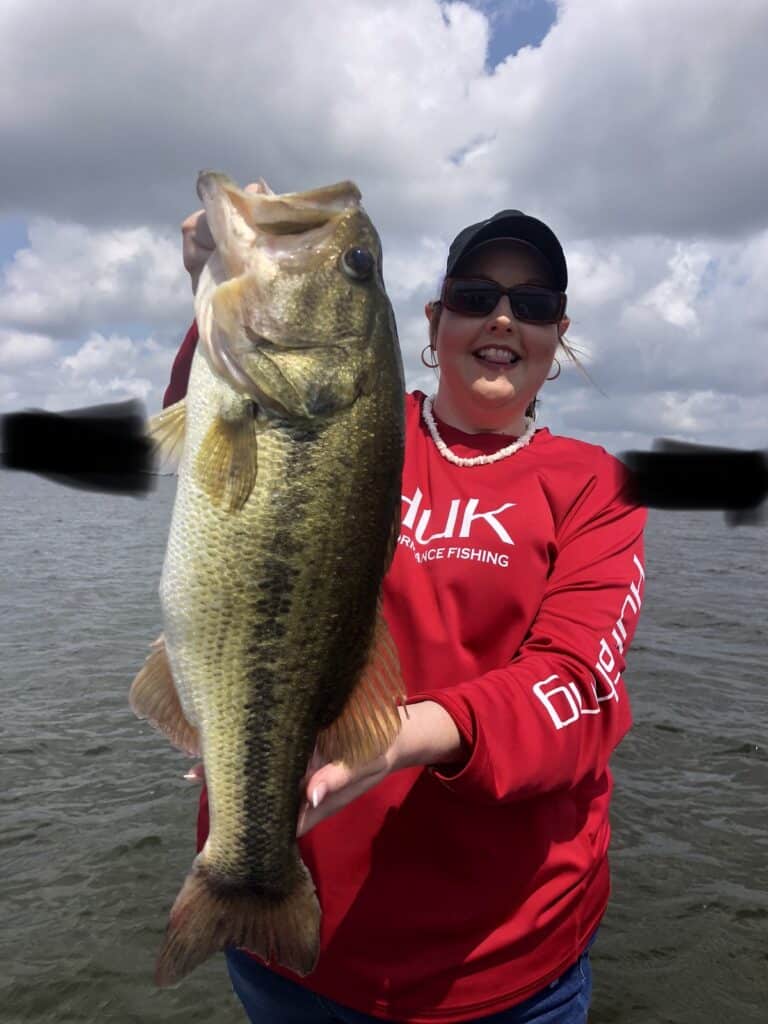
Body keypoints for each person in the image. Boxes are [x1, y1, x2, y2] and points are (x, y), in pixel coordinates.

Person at [164, 192, 647, 1024]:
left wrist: (396, 742)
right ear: (432, 322)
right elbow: (217, 435)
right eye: (474, 297)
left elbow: (577, 689)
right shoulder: (358, 424)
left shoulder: (594, 486)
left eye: (532, 306)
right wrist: (219, 279)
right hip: (298, 958)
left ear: (558, 335)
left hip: (505, 973)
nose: (502, 318)